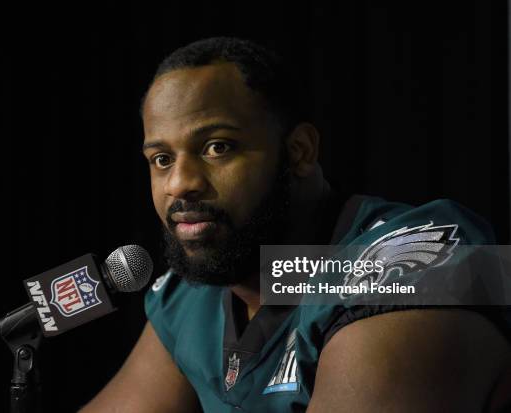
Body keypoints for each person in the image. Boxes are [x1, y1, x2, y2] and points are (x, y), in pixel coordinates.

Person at [80, 37, 511, 412]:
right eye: (162, 159)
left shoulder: (414, 264)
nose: (180, 184)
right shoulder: (192, 294)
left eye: (217, 147)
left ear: (300, 151)